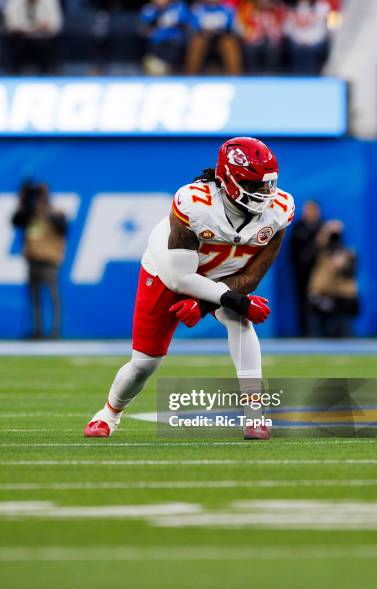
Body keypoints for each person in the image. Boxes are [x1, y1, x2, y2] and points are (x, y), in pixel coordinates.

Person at [84, 137, 295, 441]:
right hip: (167, 272)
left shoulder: (280, 208)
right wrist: (232, 300)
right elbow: (179, 279)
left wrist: (208, 305)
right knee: (145, 363)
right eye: (255, 185)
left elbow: (252, 275)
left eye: (269, 184)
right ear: (229, 181)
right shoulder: (194, 204)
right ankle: (109, 413)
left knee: (240, 320)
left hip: (223, 275)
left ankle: (255, 415)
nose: (266, 193)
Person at [11, 182, 68, 339]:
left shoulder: (57, 212)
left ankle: (55, 331)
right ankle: (37, 331)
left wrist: (47, 212)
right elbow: (16, 220)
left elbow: (63, 228)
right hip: (33, 260)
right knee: (34, 297)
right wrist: (24, 200)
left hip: (50, 261)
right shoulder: (31, 214)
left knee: (53, 297)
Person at [307, 220, 359, 338]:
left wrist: (342, 265)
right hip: (322, 295)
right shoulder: (320, 253)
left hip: (341, 297)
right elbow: (306, 256)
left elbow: (351, 273)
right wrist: (325, 231)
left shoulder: (348, 253)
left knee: (344, 328)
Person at [290, 199, 322, 336]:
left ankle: (323, 332)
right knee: (303, 303)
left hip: (321, 273)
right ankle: (305, 333)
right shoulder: (298, 228)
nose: (310, 213)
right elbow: (295, 253)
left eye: (313, 210)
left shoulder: (323, 226)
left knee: (321, 302)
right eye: (308, 210)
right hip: (302, 273)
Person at [3, 0, 63, 74]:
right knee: (11, 41)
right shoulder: (14, 2)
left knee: (51, 44)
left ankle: (48, 74)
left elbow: (55, 26)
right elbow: (10, 25)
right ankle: (11, 75)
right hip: (20, 39)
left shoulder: (50, 2)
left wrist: (40, 28)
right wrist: (31, 29)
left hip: (43, 39)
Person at [185, 0, 242, 75]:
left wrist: (221, 31)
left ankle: (236, 78)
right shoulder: (197, 9)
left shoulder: (228, 9)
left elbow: (234, 28)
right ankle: (190, 77)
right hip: (203, 38)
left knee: (229, 43)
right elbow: (191, 28)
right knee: (197, 42)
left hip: (222, 38)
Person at [139, 0, 191, 75]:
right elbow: (142, 27)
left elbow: (187, 23)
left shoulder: (179, 6)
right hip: (156, 45)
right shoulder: (150, 9)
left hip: (176, 43)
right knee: (155, 66)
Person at [237, 0, 286, 74]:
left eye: (267, 2)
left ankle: (272, 73)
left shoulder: (275, 13)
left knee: (272, 48)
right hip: (255, 39)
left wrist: (270, 34)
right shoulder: (252, 12)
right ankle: (252, 74)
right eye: (262, 2)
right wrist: (254, 35)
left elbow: (279, 29)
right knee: (250, 48)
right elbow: (247, 28)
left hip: (271, 39)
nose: (264, 4)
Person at [284, 0, 330, 74]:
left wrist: (309, 41)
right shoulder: (292, 9)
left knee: (312, 51)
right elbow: (287, 30)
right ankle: (297, 77)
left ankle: (313, 77)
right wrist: (300, 40)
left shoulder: (320, 7)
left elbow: (322, 31)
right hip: (297, 42)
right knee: (295, 50)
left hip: (314, 41)